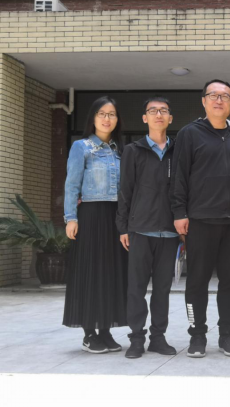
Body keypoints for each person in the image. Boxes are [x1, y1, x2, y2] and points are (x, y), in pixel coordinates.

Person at [171, 79, 230, 358]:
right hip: (200, 221)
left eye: (225, 96)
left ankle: (227, 334)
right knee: (197, 282)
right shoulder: (189, 133)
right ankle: (197, 335)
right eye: (213, 95)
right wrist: (179, 212)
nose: (219, 100)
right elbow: (179, 175)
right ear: (203, 101)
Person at [63, 96, 128, 354]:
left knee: (111, 274)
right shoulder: (81, 147)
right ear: (93, 117)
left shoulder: (120, 150)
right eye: (102, 113)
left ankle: (106, 331)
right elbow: (71, 184)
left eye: (112, 114)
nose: (107, 118)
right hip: (90, 216)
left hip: (116, 218)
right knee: (91, 273)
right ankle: (89, 333)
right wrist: (71, 218)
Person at [116, 96, 179, 359]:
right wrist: (123, 227)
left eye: (163, 111)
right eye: (153, 111)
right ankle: (136, 338)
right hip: (140, 229)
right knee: (137, 288)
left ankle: (158, 338)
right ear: (145, 118)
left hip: (170, 232)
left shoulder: (179, 151)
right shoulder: (133, 151)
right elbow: (125, 190)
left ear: (170, 118)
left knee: (162, 290)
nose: (158, 115)